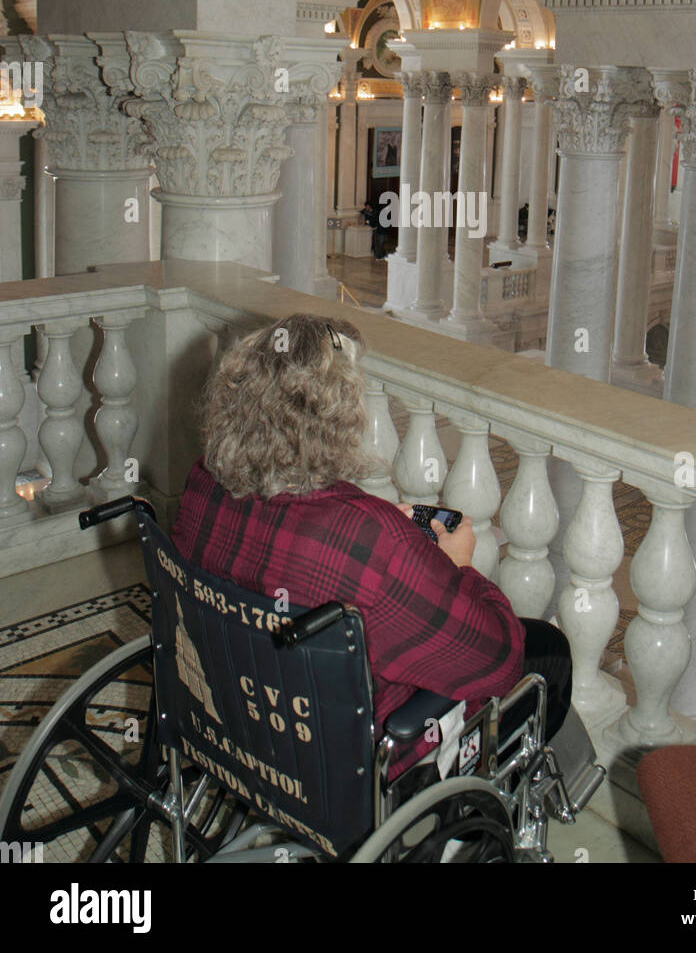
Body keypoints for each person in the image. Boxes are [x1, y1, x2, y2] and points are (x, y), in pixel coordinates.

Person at [172, 314, 572, 783]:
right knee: (546, 652)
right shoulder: (366, 540)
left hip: (232, 710)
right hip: (335, 761)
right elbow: (497, 664)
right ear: (340, 417)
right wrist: (460, 566)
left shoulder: (202, 484)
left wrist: (391, 534)